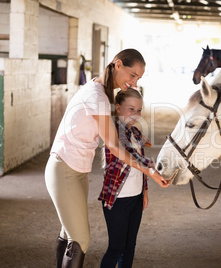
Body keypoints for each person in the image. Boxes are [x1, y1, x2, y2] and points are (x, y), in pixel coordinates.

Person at [45, 49, 170, 268]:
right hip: (64, 168)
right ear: (118, 64)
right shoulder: (98, 96)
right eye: (132, 75)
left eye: (138, 78)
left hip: (76, 170)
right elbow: (113, 144)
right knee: (80, 239)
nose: (134, 82)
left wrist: (139, 139)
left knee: (68, 232)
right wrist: (148, 170)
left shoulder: (101, 92)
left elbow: (117, 129)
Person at [99, 88, 150, 267]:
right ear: (118, 108)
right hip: (117, 199)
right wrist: (153, 168)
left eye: (139, 110)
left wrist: (144, 192)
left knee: (129, 247)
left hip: (135, 198)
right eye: (131, 109)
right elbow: (135, 158)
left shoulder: (134, 132)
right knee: (116, 248)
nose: (136, 114)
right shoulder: (113, 132)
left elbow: (139, 170)